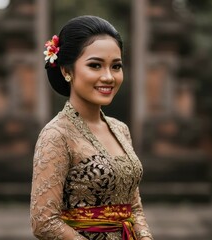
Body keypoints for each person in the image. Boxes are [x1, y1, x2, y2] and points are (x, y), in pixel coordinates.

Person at [30, 15, 153, 240]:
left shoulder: (120, 129)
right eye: (95, 65)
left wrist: (144, 237)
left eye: (116, 66)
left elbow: (133, 207)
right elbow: (44, 222)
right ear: (67, 71)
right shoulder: (56, 135)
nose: (108, 77)